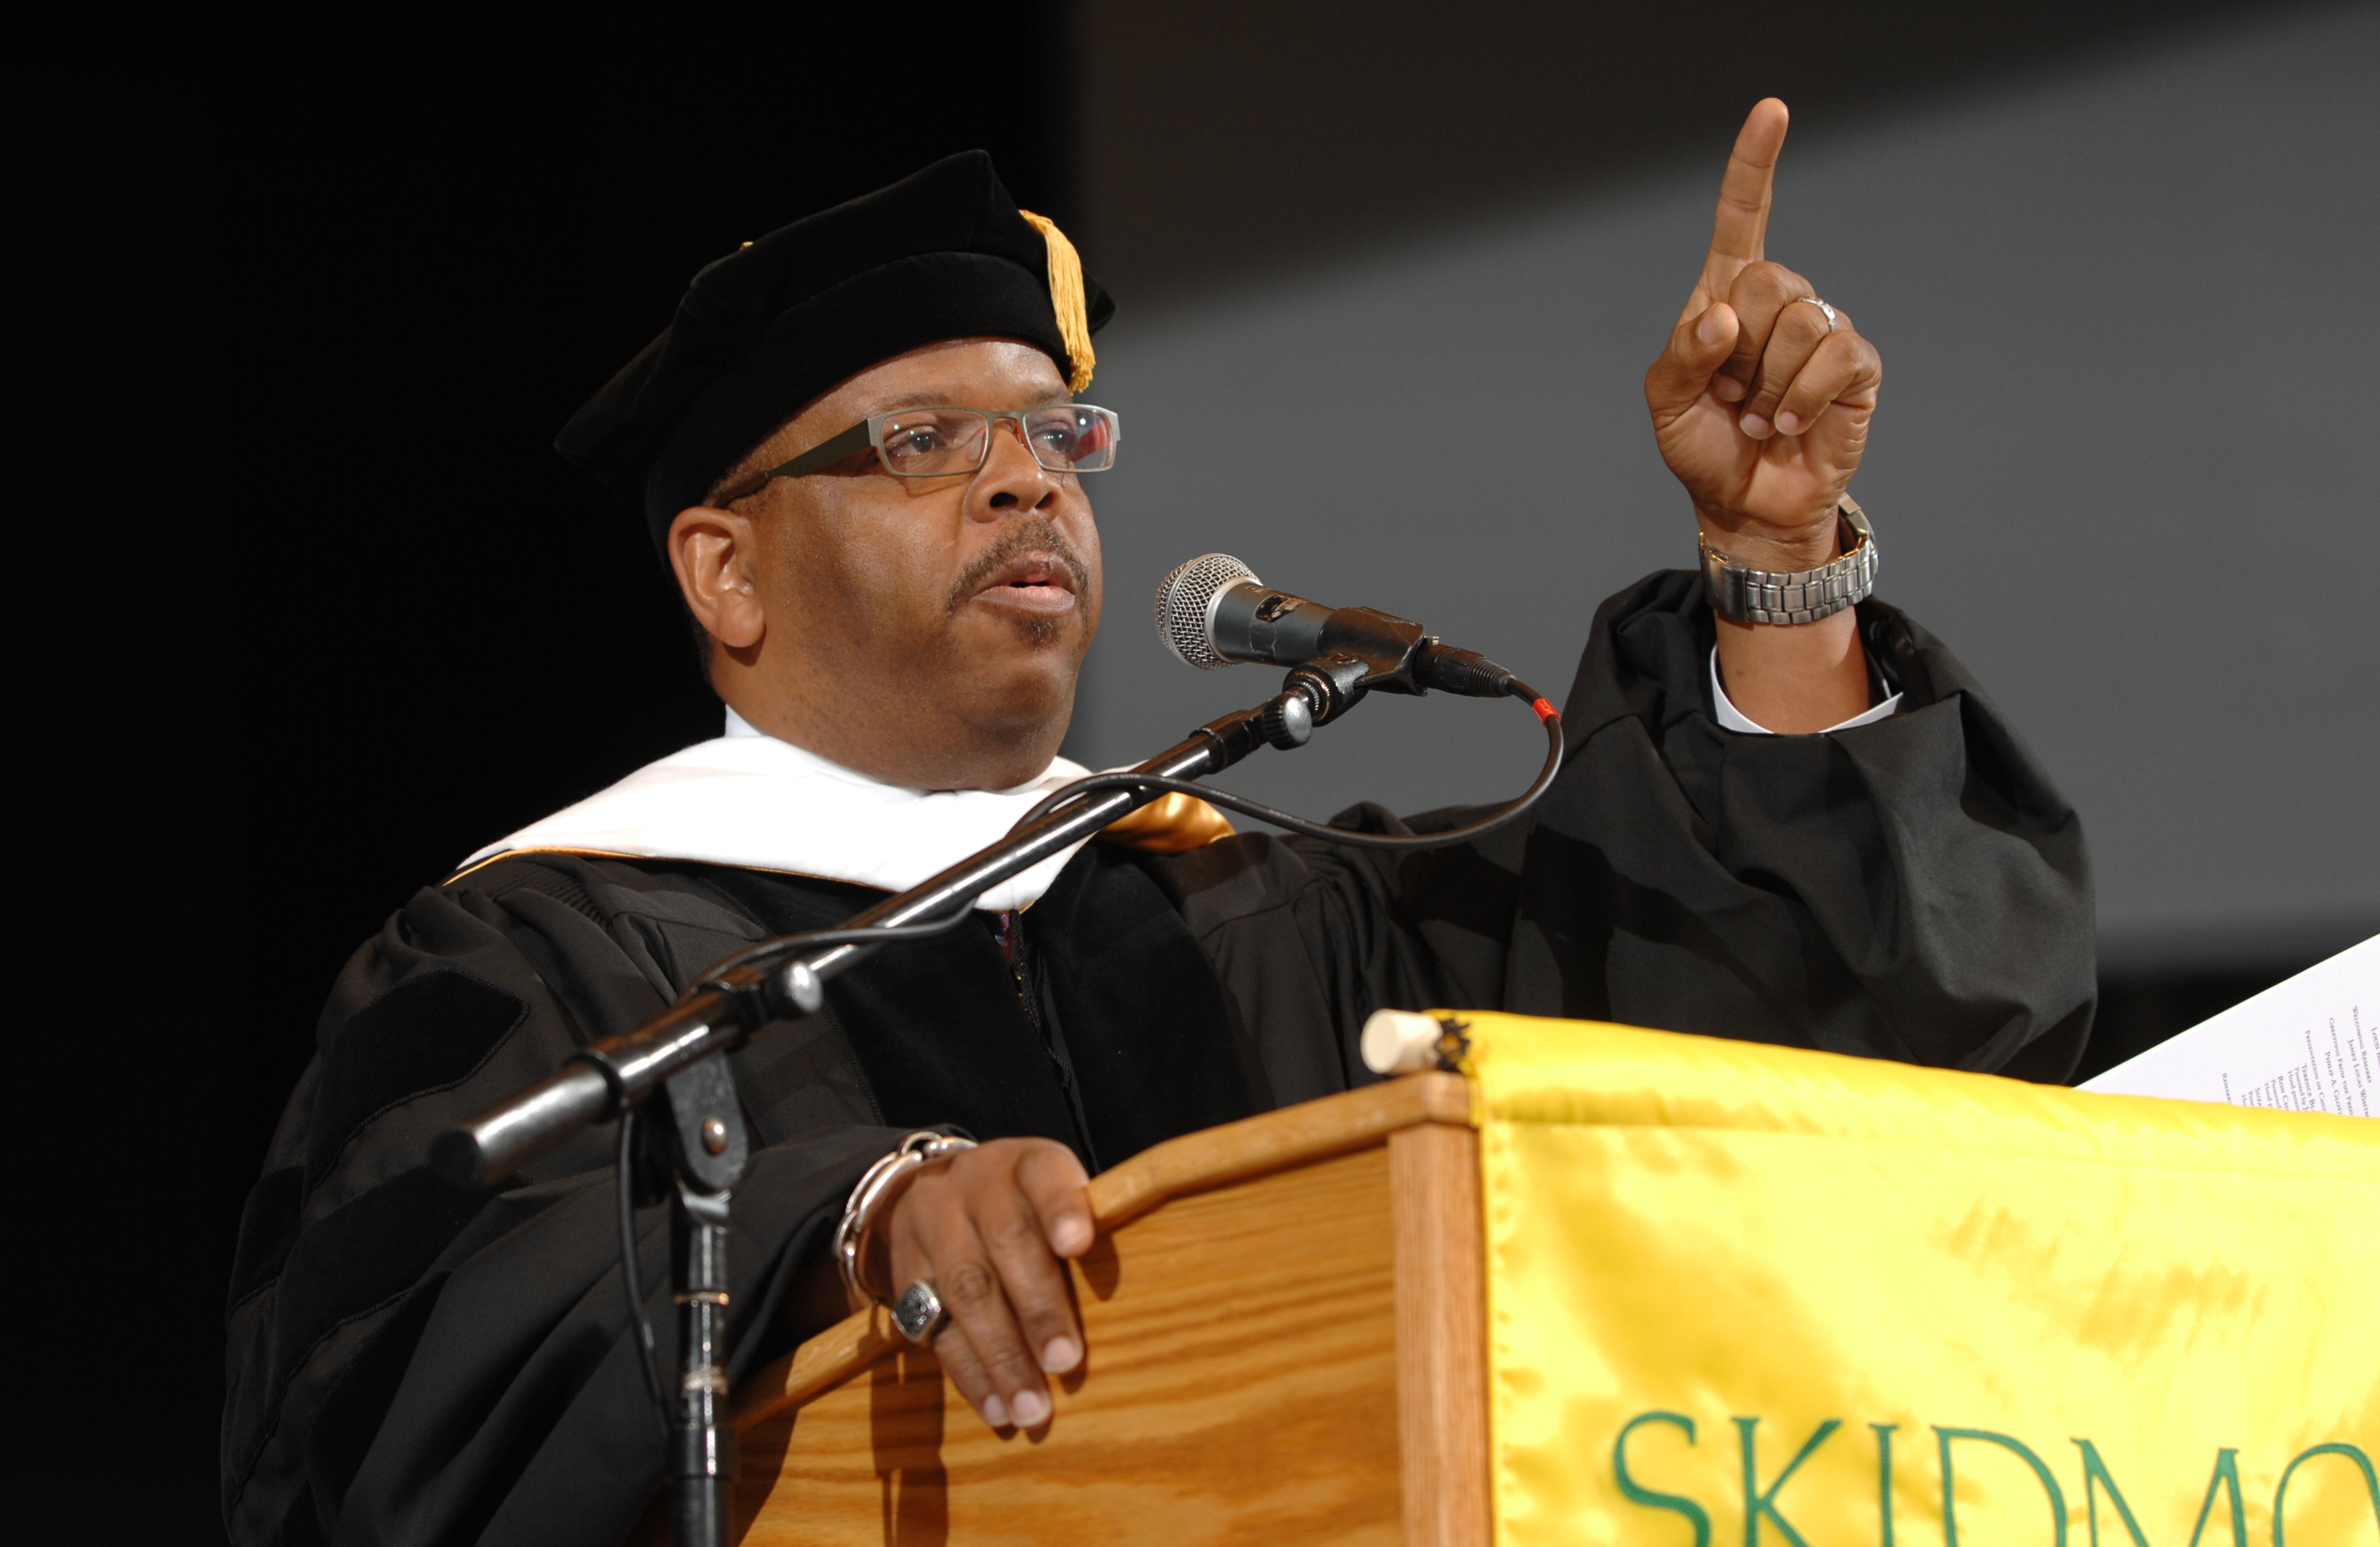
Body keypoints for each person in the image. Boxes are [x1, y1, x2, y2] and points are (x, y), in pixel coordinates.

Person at [221, 102, 2092, 1546]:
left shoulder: (1273, 907)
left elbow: (1794, 1028)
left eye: (1056, 435)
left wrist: (1773, 562)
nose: (1027, 475)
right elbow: (398, 1382)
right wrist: (850, 1212)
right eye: (923, 441)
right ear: (726, 568)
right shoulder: (541, 957)